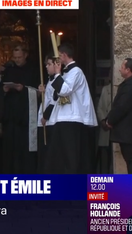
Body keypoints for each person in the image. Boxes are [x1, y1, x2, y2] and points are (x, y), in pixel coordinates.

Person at [46, 43, 98, 173]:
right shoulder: (66, 73)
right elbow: (56, 94)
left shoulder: (76, 71)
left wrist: (57, 74)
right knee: (61, 155)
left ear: (63, 55)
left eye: (58, 56)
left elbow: (64, 90)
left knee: (71, 156)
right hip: (64, 117)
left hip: (73, 118)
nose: (57, 59)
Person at [0, 44, 40, 174]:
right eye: (15, 57)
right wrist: (3, 89)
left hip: (26, 117)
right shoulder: (9, 70)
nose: (17, 60)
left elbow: (39, 91)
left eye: (19, 57)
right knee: (10, 149)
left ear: (25, 55)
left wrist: (24, 89)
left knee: (24, 150)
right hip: (10, 117)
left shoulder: (34, 70)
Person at [101, 58, 132, 174]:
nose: (119, 69)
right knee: (129, 158)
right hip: (127, 130)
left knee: (131, 159)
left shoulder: (131, 86)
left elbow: (121, 107)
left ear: (128, 70)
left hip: (128, 130)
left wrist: (109, 121)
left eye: (122, 67)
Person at [37, 54, 59, 174]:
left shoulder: (57, 80)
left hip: (50, 120)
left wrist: (46, 116)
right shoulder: (50, 80)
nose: (46, 66)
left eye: (49, 64)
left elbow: (55, 100)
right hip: (45, 120)